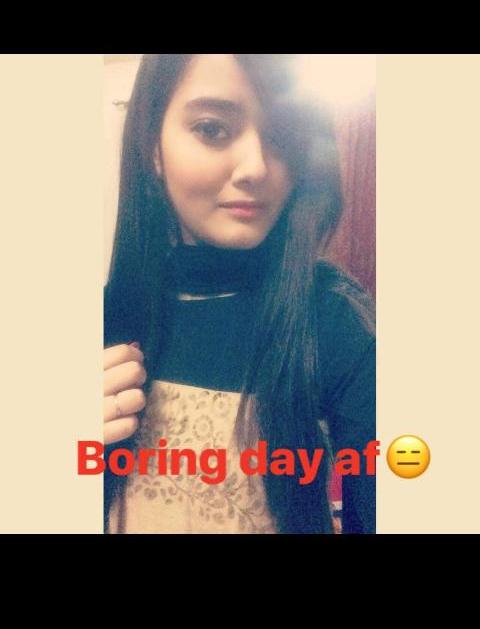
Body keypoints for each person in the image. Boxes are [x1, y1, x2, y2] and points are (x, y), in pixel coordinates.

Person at [104, 54, 376, 534]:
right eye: (212, 129)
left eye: (283, 134)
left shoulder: (334, 319)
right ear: (152, 146)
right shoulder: (105, 314)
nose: (256, 167)